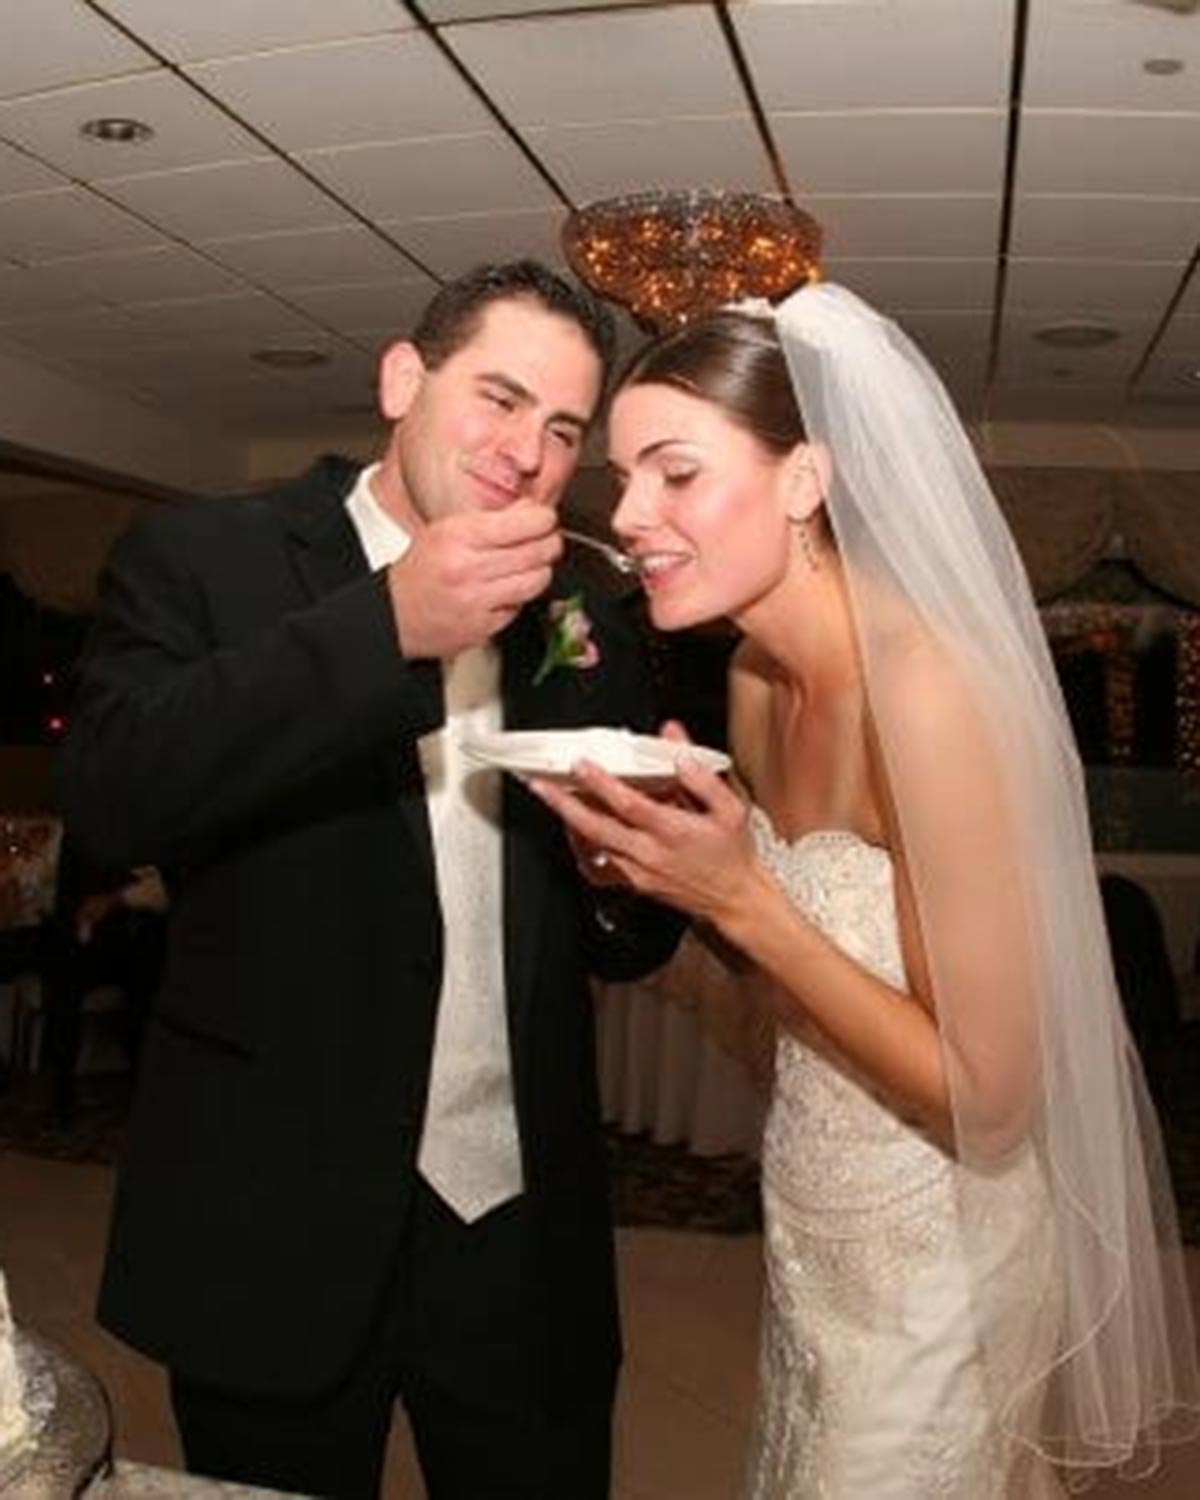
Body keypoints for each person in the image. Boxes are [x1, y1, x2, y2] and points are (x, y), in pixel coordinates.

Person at [530, 282, 1200, 1497]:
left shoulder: (931, 696)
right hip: (813, 1207)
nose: (628, 517)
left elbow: (989, 1099)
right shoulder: (746, 677)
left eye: (673, 474)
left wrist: (743, 900)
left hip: (943, 1242)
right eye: (621, 479)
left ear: (804, 480)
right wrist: (682, 876)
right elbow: (800, 970)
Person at [58, 260, 683, 1500]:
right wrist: (386, 625)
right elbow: (114, 793)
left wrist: (624, 873)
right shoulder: (205, 556)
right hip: (273, 1212)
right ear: (404, 377)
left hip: (517, 1226)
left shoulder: (586, 615)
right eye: (499, 399)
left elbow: (617, 943)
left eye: (562, 429)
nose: (528, 453)